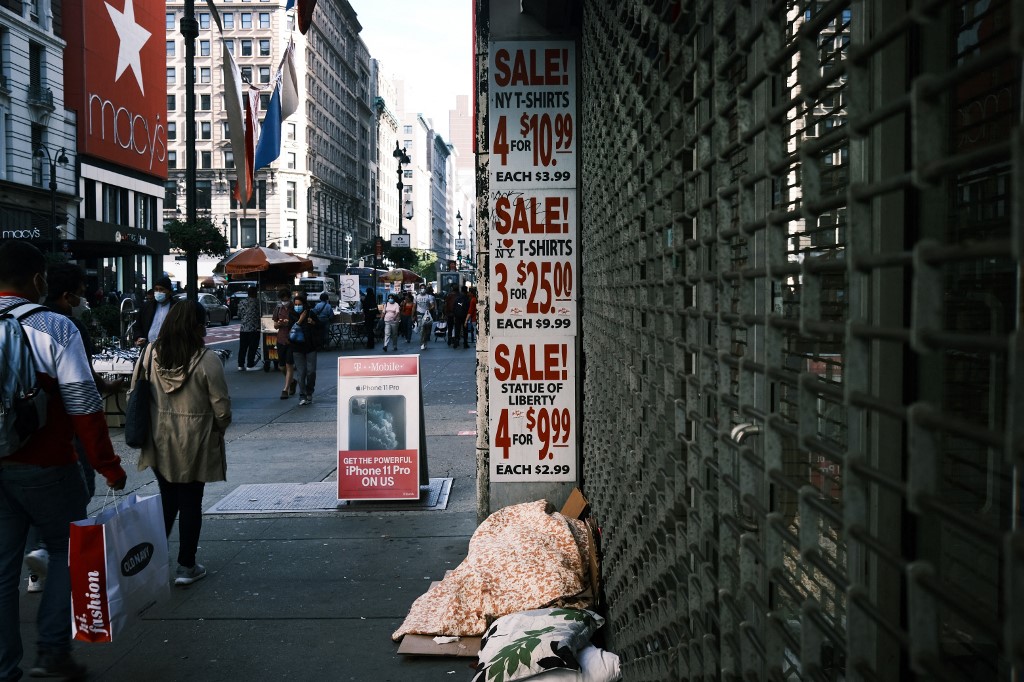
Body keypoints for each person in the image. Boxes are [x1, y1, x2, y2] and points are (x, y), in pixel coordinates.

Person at [0, 241, 128, 680]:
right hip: (48, 466)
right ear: (37, 280)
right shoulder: (55, 326)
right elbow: (83, 403)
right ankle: (51, 652)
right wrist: (107, 464)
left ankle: (4, 666)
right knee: (67, 552)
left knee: (3, 567)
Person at [129, 300, 231, 587]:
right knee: (190, 502)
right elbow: (221, 407)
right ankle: (186, 565)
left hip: (158, 439)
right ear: (197, 326)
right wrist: (218, 428)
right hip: (195, 440)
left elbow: (135, 391)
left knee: (167, 499)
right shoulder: (207, 360)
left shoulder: (150, 353)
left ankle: (150, 561)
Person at [288, 292, 320, 405]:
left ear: (304, 304)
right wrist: (300, 320)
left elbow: (320, 326)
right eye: (295, 304)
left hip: (310, 346)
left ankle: (309, 391)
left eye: (299, 304)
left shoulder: (311, 313)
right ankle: (302, 395)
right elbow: (289, 330)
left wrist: (314, 322)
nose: (297, 306)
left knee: (311, 372)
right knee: (301, 373)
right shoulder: (291, 314)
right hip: (297, 348)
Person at [135, 276, 176, 346]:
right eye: (156, 289)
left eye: (161, 289)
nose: (158, 292)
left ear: (169, 291)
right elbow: (138, 325)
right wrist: (139, 337)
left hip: (169, 348)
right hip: (148, 347)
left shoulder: (176, 307)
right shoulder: (147, 306)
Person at [272, 288, 296, 399]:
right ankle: (292, 381)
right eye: (283, 300)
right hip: (281, 339)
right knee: (282, 367)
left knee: (289, 364)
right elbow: (275, 325)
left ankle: (285, 389)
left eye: (286, 299)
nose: (284, 301)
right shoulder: (278, 309)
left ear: (289, 298)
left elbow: (299, 322)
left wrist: (289, 322)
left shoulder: (295, 308)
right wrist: (280, 323)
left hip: (292, 340)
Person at [236, 286, 261, 371]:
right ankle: (250, 365)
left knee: (242, 347)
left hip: (243, 328)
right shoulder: (258, 302)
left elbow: (238, 314)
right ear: (255, 293)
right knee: (252, 347)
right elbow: (261, 314)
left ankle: (240, 365)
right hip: (254, 328)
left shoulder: (242, 302)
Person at [415, 285, 435, 351]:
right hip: (419, 314)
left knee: (426, 330)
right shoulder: (416, 297)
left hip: (426, 315)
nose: (422, 289)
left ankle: (425, 342)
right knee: (421, 329)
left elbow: (432, 305)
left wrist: (428, 309)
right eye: (421, 288)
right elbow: (414, 306)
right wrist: (413, 315)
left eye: (424, 288)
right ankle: (422, 343)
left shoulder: (429, 297)